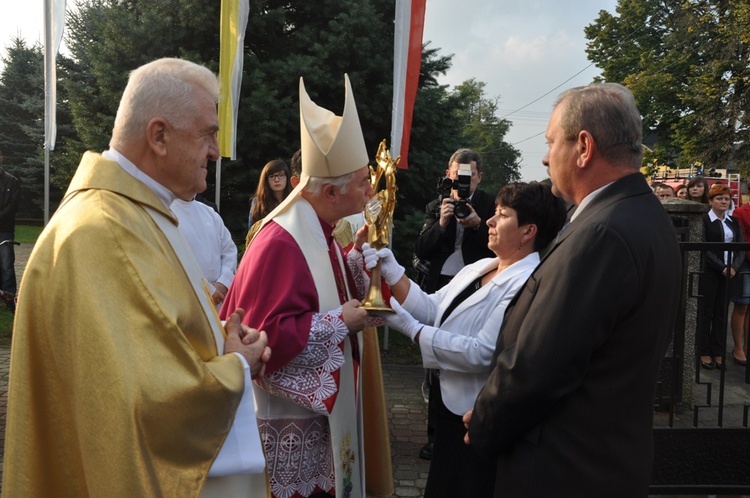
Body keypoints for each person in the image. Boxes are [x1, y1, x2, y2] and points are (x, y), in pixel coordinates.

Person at [1, 58, 272, 498]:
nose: (215, 151)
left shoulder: (138, 214)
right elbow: (138, 403)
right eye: (207, 133)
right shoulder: (100, 232)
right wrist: (237, 367)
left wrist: (217, 341)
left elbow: (153, 340)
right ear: (159, 136)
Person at [465, 83, 682, 497]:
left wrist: (484, 421)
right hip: (604, 462)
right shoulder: (640, 213)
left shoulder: (601, 232)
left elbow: (539, 366)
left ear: (583, 147)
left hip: (563, 469)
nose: (545, 157)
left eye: (550, 142)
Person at [221, 74, 377, 498]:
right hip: (288, 418)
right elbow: (262, 336)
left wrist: (354, 262)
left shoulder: (320, 228)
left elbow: (319, 285)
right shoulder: (281, 241)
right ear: (329, 192)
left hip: (318, 421)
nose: (369, 192)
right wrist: (339, 322)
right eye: (363, 183)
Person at [367, 182, 566, 497]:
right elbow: (432, 307)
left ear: (528, 232)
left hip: (479, 416)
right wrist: (393, 273)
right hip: (449, 406)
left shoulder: (525, 283)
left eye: (501, 215)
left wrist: (411, 329)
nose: (489, 220)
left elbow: (482, 353)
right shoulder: (481, 266)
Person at [413, 148, 496, 459]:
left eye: (469, 176)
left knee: (469, 358)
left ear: (479, 177)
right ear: (448, 175)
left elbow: (498, 249)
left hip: (477, 288)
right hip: (443, 287)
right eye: (456, 175)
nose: (462, 181)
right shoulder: (437, 204)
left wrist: (477, 225)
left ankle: (472, 427)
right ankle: (436, 436)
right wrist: (442, 224)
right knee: (438, 363)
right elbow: (423, 248)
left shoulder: (491, 204)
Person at [698, 183, 744, 370]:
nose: (724, 202)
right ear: (711, 201)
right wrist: (721, 266)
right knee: (706, 312)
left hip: (730, 273)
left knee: (721, 313)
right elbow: (704, 246)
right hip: (711, 271)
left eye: (727, 199)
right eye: (719, 198)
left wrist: (733, 267)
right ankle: (704, 351)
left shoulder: (733, 222)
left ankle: (718, 351)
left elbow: (741, 246)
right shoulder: (704, 220)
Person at [172, 195, 238, 309]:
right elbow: (173, 259)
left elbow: (229, 251)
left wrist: (223, 283)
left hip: (218, 300)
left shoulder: (209, 212)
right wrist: (208, 289)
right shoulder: (165, 212)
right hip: (187, 302)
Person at [0, 149, 20, 311]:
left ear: (2, 158)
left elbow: (12, 206)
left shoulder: (12, 181)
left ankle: (9, 296)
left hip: (5, 229)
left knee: (6, 264)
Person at [248, 159, 293, 228]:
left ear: (287, 177)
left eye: (281, 175)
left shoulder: (294, 200)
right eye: (272, 176)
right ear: (266, 180)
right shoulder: (258, 203)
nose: (277, 179)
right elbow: (252, 231)